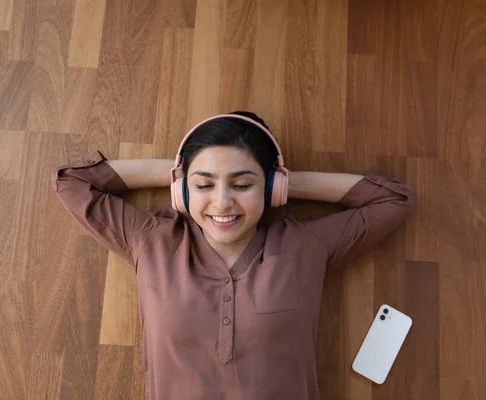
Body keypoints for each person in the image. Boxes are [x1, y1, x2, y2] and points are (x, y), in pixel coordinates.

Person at [51, 111, 414, 400]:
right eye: (204, 185)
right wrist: (181, 173)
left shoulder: (305, 246)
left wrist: (282, 182)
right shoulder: (152, 240)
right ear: (182, 189)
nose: (222, 202)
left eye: (242, 185)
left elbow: (394, 201)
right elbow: (72, 183)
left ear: (271, 188)